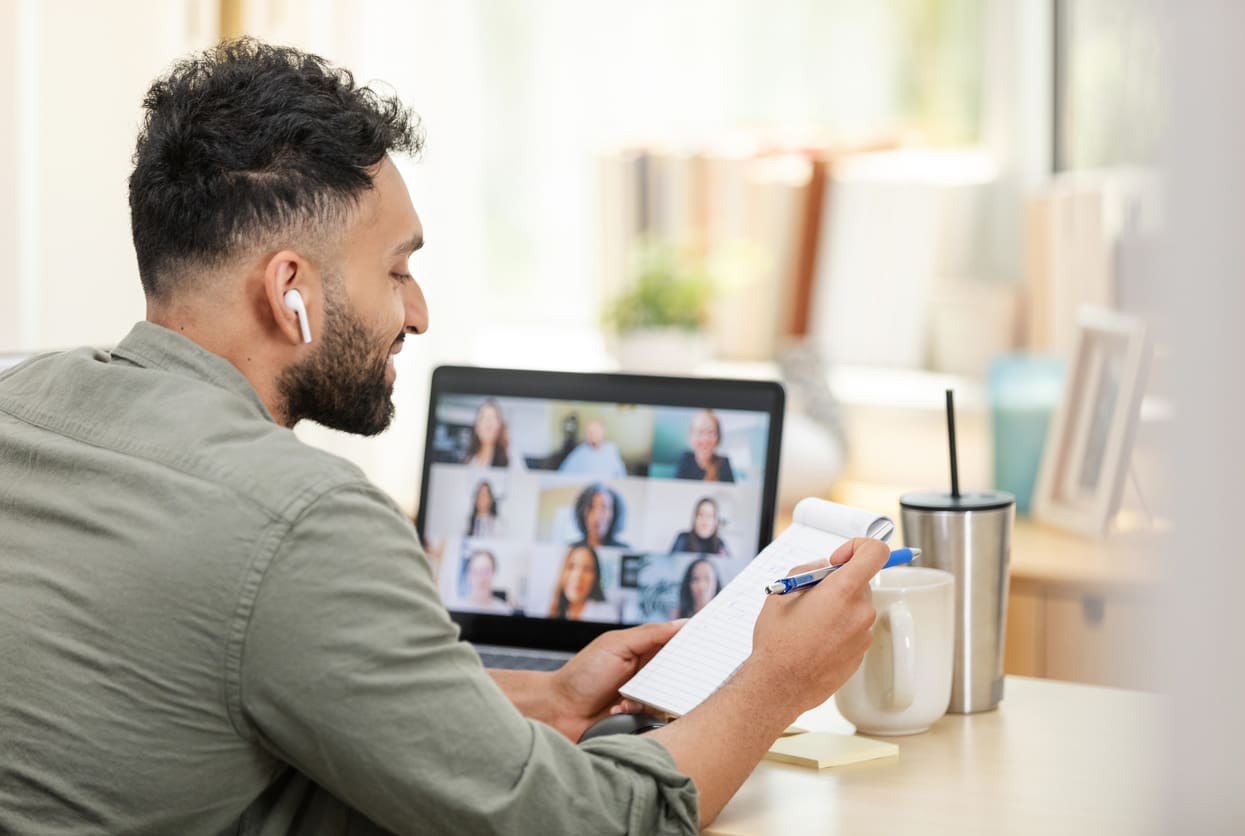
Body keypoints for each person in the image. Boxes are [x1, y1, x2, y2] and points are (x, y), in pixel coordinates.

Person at [0, 39, 886, 835]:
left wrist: (539, 696)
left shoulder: (22, 407)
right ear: (289, 291)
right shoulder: (304, 519)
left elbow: (211, 680)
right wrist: (777, 681)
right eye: (398, 270)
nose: (417, 313)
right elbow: (583, 826)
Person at [547, 544, 619, 622]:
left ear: (595, 577)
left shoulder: (607, 614)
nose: (578, 576)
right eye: (571, 566)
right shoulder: (544, 606)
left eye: (587, 569)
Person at [674, 409, 735, 482]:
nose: (705, 439)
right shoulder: (686, 459)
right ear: (691, 436)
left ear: (718, 437)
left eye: (711, 432)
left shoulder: (724, 463)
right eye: (700, 432)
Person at [558, 417, 628, 477]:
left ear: (603, 432)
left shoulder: (611, 449)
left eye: (595, 432)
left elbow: (621, 475)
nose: (592, 435)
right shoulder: (579, 451)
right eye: (589, 432)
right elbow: (563, 473)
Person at [455, 549, 514, 614]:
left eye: (486, 571)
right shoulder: (457, 607)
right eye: (476, 571)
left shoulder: (504, 610)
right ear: (469, 575)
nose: (481, 578)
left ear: (493, 573)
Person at [573, 482, 629, 548]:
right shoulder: (572, 548)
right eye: (591, 507)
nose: (598, 515)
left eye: (604, 507)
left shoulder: (624, 550)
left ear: (615, 512)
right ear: (582, 513)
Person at [464, 398, 514, 468]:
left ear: (499, 426)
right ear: (477, 426)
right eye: (483, 417)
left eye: (492, 418)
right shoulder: (468, 459)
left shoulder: (511, 459)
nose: (488, 424)